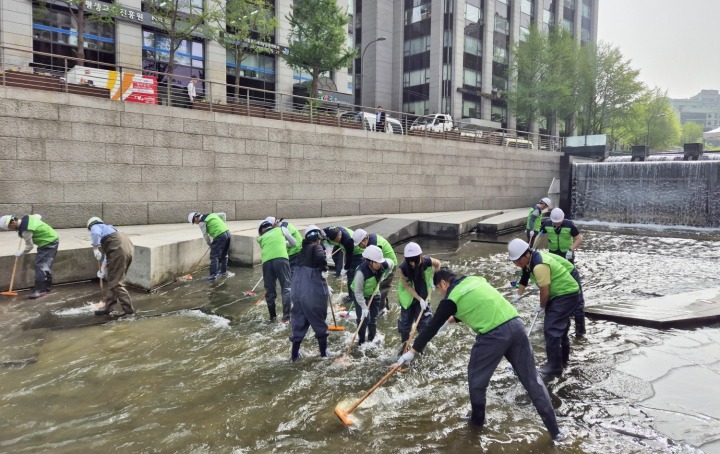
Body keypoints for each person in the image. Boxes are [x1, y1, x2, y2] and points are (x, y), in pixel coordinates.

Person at [394, 268, 563, 441]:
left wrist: (412, 352)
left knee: (476, 382)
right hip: (516, 325)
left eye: (439, 289)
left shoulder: (451, 298)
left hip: (493, 335)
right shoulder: (476, 280)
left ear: (443, 283)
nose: (440, 292)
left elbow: (431, 327)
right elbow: (477, 305)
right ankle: (556, 432)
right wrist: (450, 321)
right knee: (532, 381)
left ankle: (477, 422)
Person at [508, 238, 580, 376]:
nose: (517, 264)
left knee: (551, 329)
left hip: (564, 295)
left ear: (527, 254)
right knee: (561, 329)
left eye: (518, 260)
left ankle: (554, 367)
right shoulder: (531, 261)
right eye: (514, 261)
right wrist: (519, 294)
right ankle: (563, 360)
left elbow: (544, 291)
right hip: (563, 294)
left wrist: (541, 306)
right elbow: (525, 277)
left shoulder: (539, 265)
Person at [540, 208, 586, 337]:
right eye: (555, 223)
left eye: (558, 222)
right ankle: (551, 320)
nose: (556, 225)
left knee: (573, 287)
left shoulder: (569, 225)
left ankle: (580, 333)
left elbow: (579, 238)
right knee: (553, 284)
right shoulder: (548, 224)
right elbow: (539, 235)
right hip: (553, 256)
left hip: (567, 257)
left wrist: (571, 249)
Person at [289, 225, 332, 361]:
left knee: (299, 321)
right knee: (319, 321)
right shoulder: (316, 247)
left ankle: (294, 355)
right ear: (318, 237)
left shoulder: (301, 252)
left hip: (296, 292)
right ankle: (324, 354)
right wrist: (324, 270)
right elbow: (320, 257)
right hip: (311, 291)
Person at [1, 214, 59, 299]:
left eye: (10, 228)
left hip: (48, 243)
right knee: (45, 265)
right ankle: (46, 287)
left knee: (40, 266)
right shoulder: (28, 218)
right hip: (51, 239)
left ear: (13, 223)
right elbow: (38, 216)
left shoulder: (25, 231)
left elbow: (30, 246)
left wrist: (21, 253)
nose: (12, 230)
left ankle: (40, 291)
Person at [396, 242, 442, 351]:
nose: (412, 264)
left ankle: (420, 349)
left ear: (419, 257)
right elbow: (407, 286)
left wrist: (434, 279)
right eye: (410, 261)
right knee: (405, 325)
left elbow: (438, 264)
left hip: (424, 294)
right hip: (408, 297)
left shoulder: (427, 261)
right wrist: (419, 299)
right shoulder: (403, 268)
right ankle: (405, 347)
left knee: (425, 324)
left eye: (414, 261)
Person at [87, 217, 135, 316]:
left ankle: (128, 310)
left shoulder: (95, 226)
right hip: (127, 248)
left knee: (116, 282)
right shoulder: (110, 229)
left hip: (119, 250)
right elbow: (109, 253)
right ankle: (108, 308)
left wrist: (95, 248)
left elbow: (95, 233)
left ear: (90, 225)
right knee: (114, 279)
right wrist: (102, 268)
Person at [350, 245, 394, 345]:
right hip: (361, 295)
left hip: (375, 293)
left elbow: (391, 266)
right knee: (363, 319)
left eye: (380, 262)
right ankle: (361, 341)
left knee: (373, 318)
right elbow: (358, 293)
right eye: (376, 262)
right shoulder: (361, 272)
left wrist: (384, 277)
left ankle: (371, 339)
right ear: (369, 261)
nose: (379, 264)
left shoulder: (384, 264)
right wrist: (364, 307)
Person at [258, 218, 297, 323]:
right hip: (281, 259)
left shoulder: (260, 238)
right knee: (286, 288)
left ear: (261, 229)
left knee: (270, 291)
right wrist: (283, 243)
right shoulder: (282, 229)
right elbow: (294, 243)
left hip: (266, 263)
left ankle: (272, 317)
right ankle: (286, 318)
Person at [352, 228, 398, 312]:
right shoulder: (370, 242)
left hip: (387, 265)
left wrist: (383, 277)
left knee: (381, 288)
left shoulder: (374, 245)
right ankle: (384, 306)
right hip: (379, 264)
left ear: (364, 240)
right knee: (377, 287)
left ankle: (380, 310)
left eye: (359, 244)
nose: (359, 247)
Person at [188, 211, 231, 281]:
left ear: (195, 218)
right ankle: (223, 272)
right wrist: (223, 225)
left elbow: (205, 235)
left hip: (219, 235)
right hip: (227, 232)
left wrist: (210, 244)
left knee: (214, 256)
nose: (195, 223)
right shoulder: (211, 215)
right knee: (224, 254)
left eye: (194, 222)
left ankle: (213, 276)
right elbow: (223, 214)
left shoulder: (202, 222)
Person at [323, 226, 364, 298]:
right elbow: (322, 238)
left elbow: (349, 257)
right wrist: (328, 252)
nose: (336, 241)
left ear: (340, 234)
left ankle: (352, 297)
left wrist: (346, 268)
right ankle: (338, 272)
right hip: (341, 245)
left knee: (351, 273)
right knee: (335, 256)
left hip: (357, 252)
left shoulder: (348, 240)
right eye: (334, 241)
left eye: (337, 240)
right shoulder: (328, 231)